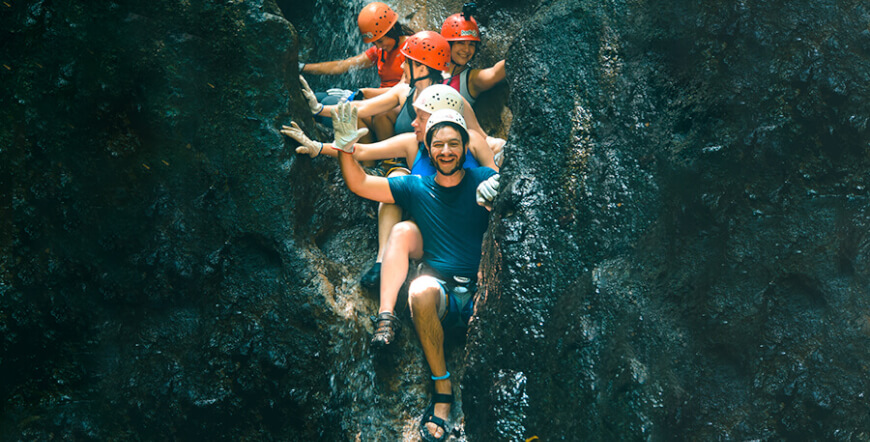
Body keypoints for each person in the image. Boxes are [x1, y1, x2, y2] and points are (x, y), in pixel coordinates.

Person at [329, 101, 500, 442]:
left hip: (486, 295)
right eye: (438, 144)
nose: (446, 151)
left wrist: (503, 188)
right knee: (420, 289)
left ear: (466, 147)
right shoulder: (416, 187)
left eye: (454, 143)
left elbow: (522, 186)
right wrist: (345, 150)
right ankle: (442, 389)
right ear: (428, 148)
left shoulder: (483, 178)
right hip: (443, 299)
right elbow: (360, 184)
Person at [283, 84, 498, 290]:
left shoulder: (474, 141)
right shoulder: (410, 143)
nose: (413, 123)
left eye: (421, 119)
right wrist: (317, 146)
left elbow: (495, 180)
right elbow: (362, 151)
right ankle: (382, 261)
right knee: (397, 176)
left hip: (469, 224)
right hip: (429, 228)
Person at [300, 30, 452, 143]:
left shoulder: (449, 99)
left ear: (423, 69)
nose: (401, 65)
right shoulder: (404, 90)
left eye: (405, 62)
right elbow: (363, 107)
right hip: (406, 160)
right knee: (330, 104)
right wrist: (319, 108)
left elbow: (473, 135)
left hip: (417, 168)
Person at [299, 2, 414, 90]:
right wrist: (302, 67)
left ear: (392, 30)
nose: (378, 47)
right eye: (374, 43)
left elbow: (401, 90)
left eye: (380, 41)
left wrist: (363, 95)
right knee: (321, 98)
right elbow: (342, 66)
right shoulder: (379, 51)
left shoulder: (412, 47)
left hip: (394, 104)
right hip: (381, 99)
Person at [440, 5, 506, 107]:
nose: (466, 50)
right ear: (448, 44)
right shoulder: (430, 69)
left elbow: (494, 73)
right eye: (461, 43)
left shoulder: (471, 80)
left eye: (471, 44)